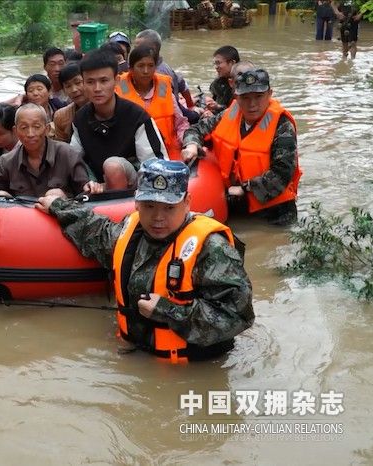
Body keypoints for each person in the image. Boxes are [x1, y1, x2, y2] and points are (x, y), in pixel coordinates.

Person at [36, 158, 254, 363]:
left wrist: (168, 311)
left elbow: (237, 317)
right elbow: (97, 231)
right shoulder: (130, 232)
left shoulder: (212, 249)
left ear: (187, 203)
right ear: (137, 202)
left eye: (169, 208)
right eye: (149, 206)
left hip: (197, 366)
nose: (158, 217)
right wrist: (59, 206)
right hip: (140, 356)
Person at [181, 68, 302, 226]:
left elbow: (282, 174)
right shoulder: (228, 114)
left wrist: (246, 189)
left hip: (274, 212)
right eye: (245, 97)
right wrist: (192, 145)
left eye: (258, 97)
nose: (252, 104)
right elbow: (196, 129)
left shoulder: (282, 125)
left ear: (270, 94)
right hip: (235, 202)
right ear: (236, 97)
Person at [70, 49, 167, 192]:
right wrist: (87, 182)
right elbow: (73, 159)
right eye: (90, 82)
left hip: (135, 185)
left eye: (104, 81)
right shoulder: (80, 118)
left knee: (112, 165)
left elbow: (156, 165)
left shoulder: (137, 116)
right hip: (96, 184)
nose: (97, 89)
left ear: (116, 81)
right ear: (83, 83)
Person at [0, 104, 92, 198]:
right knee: (1, 196)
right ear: (16, 131)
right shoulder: (7, 161)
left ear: (46, 130)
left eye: (36, 127)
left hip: (59, 224)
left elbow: (85, 193)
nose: (30, 133)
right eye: (24, 128)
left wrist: (63, 199)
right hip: (22, 225)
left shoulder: (67, 154)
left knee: (55, 194)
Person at [115, 45, 190, 160]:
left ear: (155, 67)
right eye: (140, 66)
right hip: (132, 156)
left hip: (166, 152)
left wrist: (188, 144)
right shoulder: (118, 94)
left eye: (150, 66)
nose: (146, 71)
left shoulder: (165, 91)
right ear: (131, 69)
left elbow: (181, 123)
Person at [134, 29, 199, 124]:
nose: (135, 51)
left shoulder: (158, 73)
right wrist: (190, 105)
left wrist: (191, 111)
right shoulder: (163, 66)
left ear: (153, 49)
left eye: (139, 48)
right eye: (135, 48)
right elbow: (182, 84)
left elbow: (163, 103)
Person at [52, 63, 88, 143]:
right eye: (68, 86)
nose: (74, 89)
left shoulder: (104, 107)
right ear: (64, 90)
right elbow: (63, 148)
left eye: (78, 83)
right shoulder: (61, 116)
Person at [206, 45, 240, 114]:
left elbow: (238, 109)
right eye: (215, 64)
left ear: (232, 63)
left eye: (218, 63)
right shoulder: (218, 82)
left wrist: (218, 107)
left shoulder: (243, 84)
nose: (216, 67)